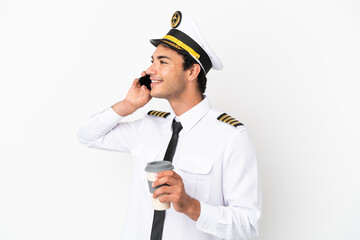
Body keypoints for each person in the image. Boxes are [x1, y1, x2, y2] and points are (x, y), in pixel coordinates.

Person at [78, 10, 261, 240]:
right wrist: (128, 105)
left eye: (163, 62)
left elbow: (248, 228)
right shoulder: (148, 125)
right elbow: (87, 136)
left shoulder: (231, 137)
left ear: (192, 71)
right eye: (152, 61)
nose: (150, 70)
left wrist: (190, 205)